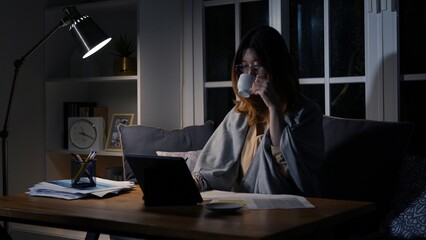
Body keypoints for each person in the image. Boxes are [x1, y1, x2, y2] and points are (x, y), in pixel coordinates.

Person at [192, 26, 324, 197]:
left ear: (276, 67)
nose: (249, 74)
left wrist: (275, 109)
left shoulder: (306, 113)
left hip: (283, 209)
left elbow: (292, 174)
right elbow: (211, 169)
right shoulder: (240, 114)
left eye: (256, 67)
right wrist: (189, 184)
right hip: (240, 208)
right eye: (244, 67)